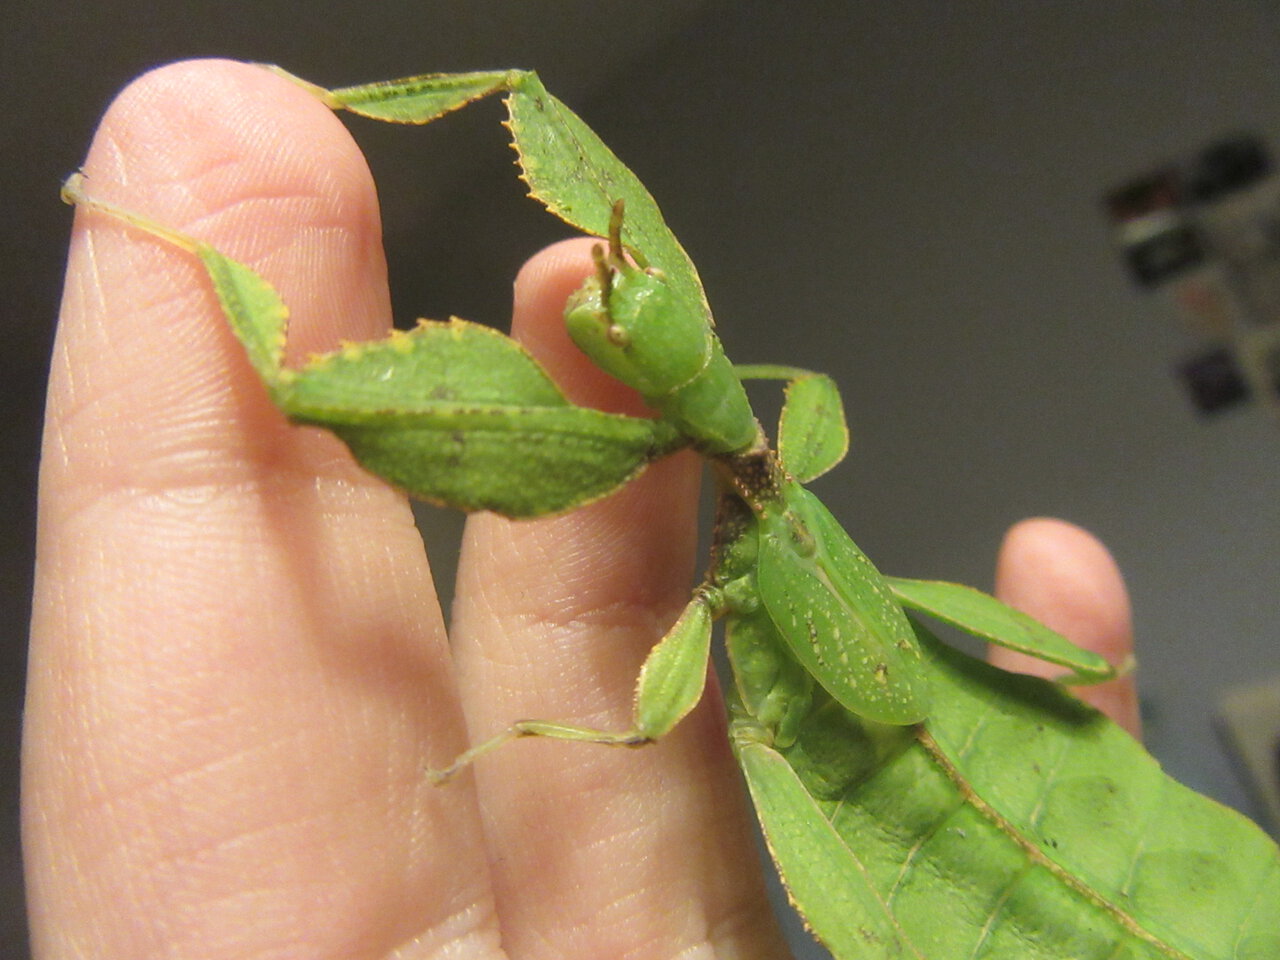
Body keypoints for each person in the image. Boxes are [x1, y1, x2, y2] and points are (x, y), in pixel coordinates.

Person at [25, 60, 1139, 958]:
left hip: (853, 656)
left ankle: (199, 213)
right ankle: (270, 148)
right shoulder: (796, 433)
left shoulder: (759, 436)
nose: (604, 292)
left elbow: (647, 719)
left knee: (318, 375)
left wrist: (520, 738)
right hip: (807, 566)